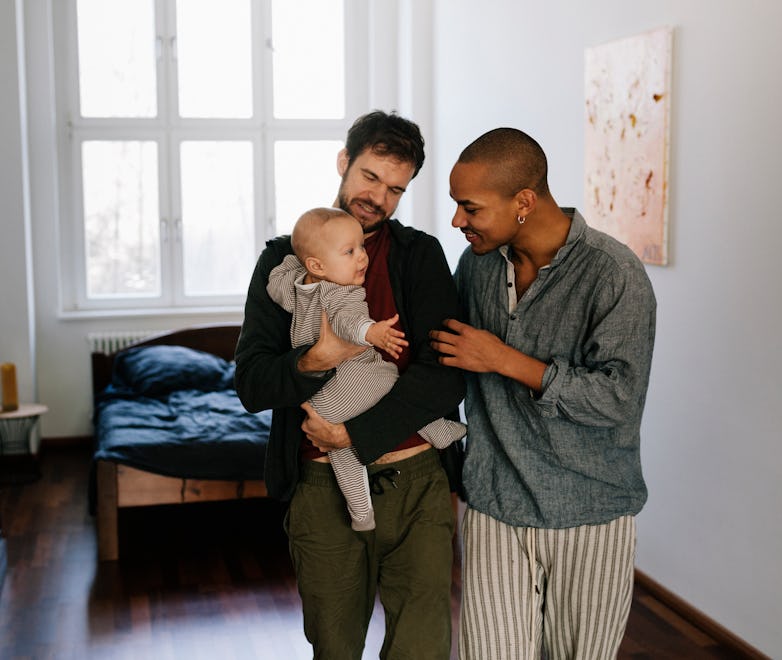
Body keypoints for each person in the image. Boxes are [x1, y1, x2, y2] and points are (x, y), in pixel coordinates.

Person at [234, 110, 465, 660]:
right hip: (322, 491)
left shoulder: (420, 255)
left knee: (422, 650)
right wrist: (316, 359)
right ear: (344, 161)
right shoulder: (285, 262)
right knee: (335, 648)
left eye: (395, 189)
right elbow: (251, 383)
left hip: (417, 486)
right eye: (370, 176)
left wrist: (354, 436)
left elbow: (446, 375)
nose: (378, 198)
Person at [430, 127, 657, 660]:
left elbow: (618, 398)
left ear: (524, 202)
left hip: (591, 511)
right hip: (494, 503)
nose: (457, 221)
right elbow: (445, 359)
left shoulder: (614, 273)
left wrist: (503, 359)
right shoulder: (477, 265)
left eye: (470, 207)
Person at [266, 206, 466, 532]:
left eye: (361, 247)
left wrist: (294, 262)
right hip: (356, 379)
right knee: (394, 382)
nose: (362, 257)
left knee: (343, 454)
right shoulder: (341, 291)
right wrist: (372, 333)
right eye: (350, 251)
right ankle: (437, 429)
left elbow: (276, 284)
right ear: (317, 265)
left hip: (322, 399)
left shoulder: (298, 290)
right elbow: (349, 320)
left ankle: (361, 513)